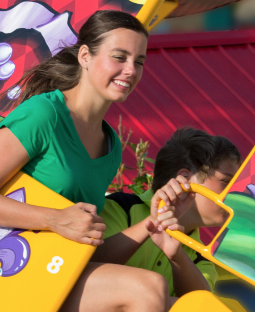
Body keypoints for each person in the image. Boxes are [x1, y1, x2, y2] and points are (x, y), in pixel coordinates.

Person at [0, 10, 187, 312]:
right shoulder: (42, 115)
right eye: (119, 57)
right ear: (84, 56)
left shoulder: (110, 146)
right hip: (5, 280)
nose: (131, 70)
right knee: (149, 286)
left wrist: (151, 224)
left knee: (176, 311)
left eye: (139, 61)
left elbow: (85, 248)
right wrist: (53, 219)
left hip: (57, 285)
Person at [102, 127, 241, 298]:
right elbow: (85, 262)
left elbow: (197, 305)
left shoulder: (202, 256)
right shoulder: (121, 207)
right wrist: (153, 222)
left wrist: (177, 256)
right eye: (226, 181)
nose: (237, 193)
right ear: (185, 178)